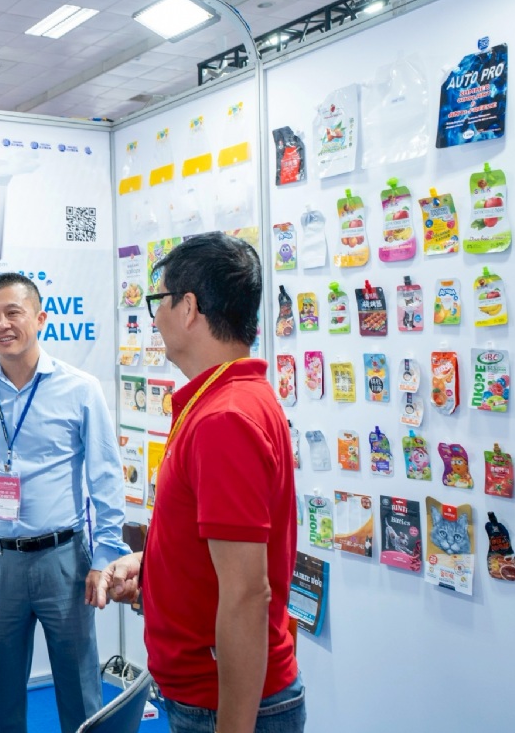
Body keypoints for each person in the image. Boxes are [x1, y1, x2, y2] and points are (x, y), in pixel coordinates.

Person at [91, 232, 304, 733]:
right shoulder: (228, 399)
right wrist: (151, 567)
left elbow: (247, 594)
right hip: (209, 695)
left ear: (187, 308)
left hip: (221, 705)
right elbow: (220, 549)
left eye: (158, 302)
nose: (154, 319)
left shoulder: (224, 418)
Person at [0, 273, 128, 733]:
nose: (2, 324)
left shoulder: (80, 388)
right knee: (2, 696)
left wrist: (104, 559)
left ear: (40, 318)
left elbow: (105, 478)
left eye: (13, 312)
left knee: (80, 689)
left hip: (63, 560)